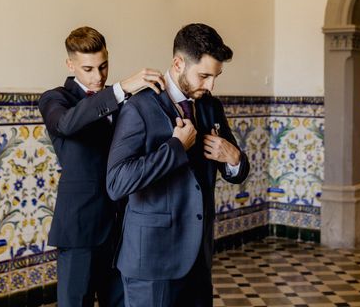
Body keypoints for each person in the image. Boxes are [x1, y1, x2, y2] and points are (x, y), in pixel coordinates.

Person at [106, 23, 250, 307]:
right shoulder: (139, 108)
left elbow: (234, 168)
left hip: (198, 257)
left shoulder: (210, 106)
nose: (210, 86)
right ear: (178, 63)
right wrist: (175, 148)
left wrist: (234, 158)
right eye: (204, 75)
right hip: (151, 261)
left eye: (215, 76)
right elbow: (117, 182)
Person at [39, 26, 165, 307]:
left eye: (104, 66)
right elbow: (67, 124)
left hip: (122, 227)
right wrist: (121, 88)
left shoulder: (123, 101)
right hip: (80, 228)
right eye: (88, 69)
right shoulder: (55, 99)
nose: (98, 77)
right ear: (70, 65)